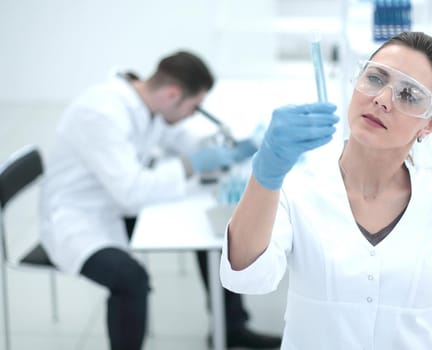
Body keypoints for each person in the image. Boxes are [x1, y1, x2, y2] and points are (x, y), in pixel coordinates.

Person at [220, 31, 432, 349]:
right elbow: (245, 278)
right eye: (375, 78)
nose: (382, 100)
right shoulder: (299, 188)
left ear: (430, 125)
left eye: (409, 95)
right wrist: (265, 174)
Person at [40, 51, 281, 350]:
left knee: (207, 232)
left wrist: (226, 148)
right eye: (195, 107)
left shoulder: (146, 104)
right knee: (130, 280)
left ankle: (231, 329)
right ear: (172, 94)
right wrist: (193, 164)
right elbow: (130, 192)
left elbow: (177, 139)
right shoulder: (102, 114)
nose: (195, 114)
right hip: (78, 220)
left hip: (114, 204)